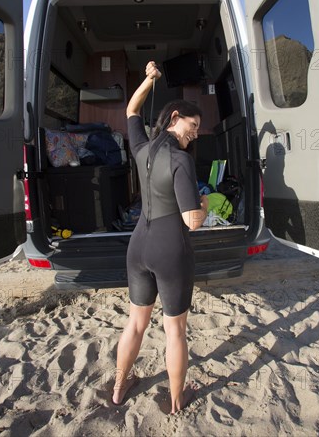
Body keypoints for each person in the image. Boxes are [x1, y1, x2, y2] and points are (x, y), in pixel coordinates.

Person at [112, 61, 209, 414]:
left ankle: (120, 385)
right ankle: (177, 399)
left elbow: (131, 108)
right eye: (193, 126)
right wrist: (206, 201)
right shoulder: (181, 160)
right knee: (175, 332)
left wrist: (148, 79)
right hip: (171, 250)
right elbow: (193, 221)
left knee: (135, 323)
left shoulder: (140, 148)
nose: (195, 133)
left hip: (138, 246)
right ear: (176, 117)